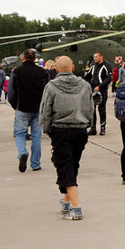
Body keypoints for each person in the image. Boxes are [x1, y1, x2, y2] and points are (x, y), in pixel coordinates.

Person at [39, 56, 93, 220]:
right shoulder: (85, 85)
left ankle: (76, 209)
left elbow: (45, 110)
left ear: (56, 69)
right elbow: (90, 108)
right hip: (80, 130)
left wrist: (47, 129)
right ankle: (66, 201)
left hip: (61, 130)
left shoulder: (51, 86)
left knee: (65, 167)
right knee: (73, 164)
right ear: (73, 67)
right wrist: (87, 124)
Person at [8, 49, 50, 172]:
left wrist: (15, 105)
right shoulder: (43, 72)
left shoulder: (16, 71)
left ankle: (22, 153)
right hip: (38, 108)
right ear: (35, 59)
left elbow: (11, 92)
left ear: (23, 58)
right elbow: (48, 91)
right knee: (36, 136)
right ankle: (35, 164)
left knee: (20, 134)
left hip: (22, 108)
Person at [83, 52, 112, 135]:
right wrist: (80, 81)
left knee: (102, 109)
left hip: (102, 90)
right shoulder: (93, 66)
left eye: (96, 57)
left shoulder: (107, 65)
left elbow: (109, 78)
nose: (94, 59)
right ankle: (93, 128)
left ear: (101, 57)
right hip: (93, 90)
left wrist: (100, 86)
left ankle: (103, 128)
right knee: (92, 109)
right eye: (94, 57)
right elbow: (88, 76)